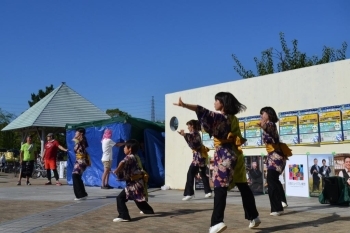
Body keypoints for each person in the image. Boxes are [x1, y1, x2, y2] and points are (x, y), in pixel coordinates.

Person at [174, 92, 260, 233]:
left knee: (220, 187)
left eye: (216, 100)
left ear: (223, 103)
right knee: (243, 185)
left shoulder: (222, 118)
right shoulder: (233, 119)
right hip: (235, 154)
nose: (214, 103)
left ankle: (217, 221)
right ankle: (254, 216)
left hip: (224, 154)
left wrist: (184, 105)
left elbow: (202, 111)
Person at [257, 106, 292, 216]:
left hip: (277, 156)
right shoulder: (269, 124)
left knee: (271, 179)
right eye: (261, 114)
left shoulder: (271, 124)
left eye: (263, 113)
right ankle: (282, 201)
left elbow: (269, 128)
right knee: (273, 179)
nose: (261, 115)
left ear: (269, 114)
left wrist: (264, 126)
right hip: (273, 156)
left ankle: (277, 208)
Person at [113, 139, 154, 222]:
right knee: (136, 197)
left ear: (130, 149)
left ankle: (124, 216)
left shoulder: (129, 156)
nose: (124, 148)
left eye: (125, 147)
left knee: (120, 198)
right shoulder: (136, 156)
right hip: (138, 182)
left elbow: (122, 162)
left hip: (135, 183)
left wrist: (117, 170)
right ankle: (148, 210)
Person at [178, 119, 212, 201]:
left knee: (190, 173)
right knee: (203, 174)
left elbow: (194, 145)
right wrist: (185, 135)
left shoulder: (195, 133)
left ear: (192, 126)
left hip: (198, 157)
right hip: (200, 156)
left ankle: (189, 193)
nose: (188, 127)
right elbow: (191, 142)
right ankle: (208, 192)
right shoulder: (194, 134)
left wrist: (185, 135)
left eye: (189, 126)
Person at [72, 128, 90, 201]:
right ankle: (83, 194)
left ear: (81, 133)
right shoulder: (79, 141)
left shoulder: (81, 140)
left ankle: (80, 195)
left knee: (75, 175)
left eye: (77, 132)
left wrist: (76, 139)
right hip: (79, 161)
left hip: (81, 161)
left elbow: (80, 144)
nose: (75, 133)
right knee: (77, 176)